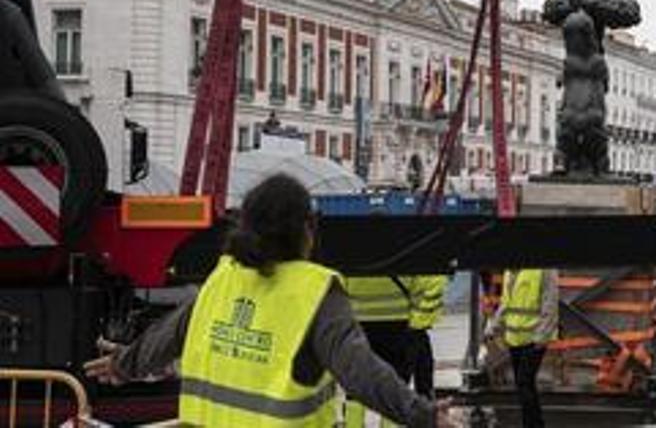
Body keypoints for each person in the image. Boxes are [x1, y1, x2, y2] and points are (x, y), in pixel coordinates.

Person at [83, 174, 444, 427]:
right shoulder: (313, 293)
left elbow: (171, 334)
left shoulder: (224, 276)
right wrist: (424, 416)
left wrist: (124, 364)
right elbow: (361, 373)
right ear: (306, 228)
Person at [492, 268, 558, 428]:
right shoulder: (509, 270)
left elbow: (549, 303)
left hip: (534, 339)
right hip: (515, 338)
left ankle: (533, 425)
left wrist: (542, 336)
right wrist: (495, 325)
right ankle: (533, 423)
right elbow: (506, 302)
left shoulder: (544, 269)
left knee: (524, 382)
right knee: (523, 385)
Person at [408, 273, 452, 399]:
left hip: (413, 326)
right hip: (414, 326)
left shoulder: (433, 277)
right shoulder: (434, 278)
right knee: (421, 370)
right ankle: (425, 402)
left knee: (422, 368)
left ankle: (424, 402)